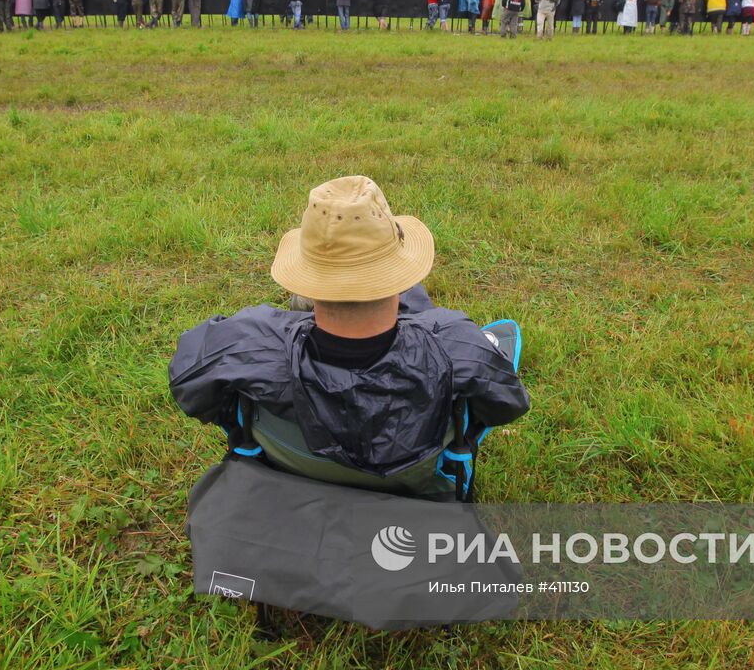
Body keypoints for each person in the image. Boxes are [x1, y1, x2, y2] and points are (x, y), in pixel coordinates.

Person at [168, 175, 530, 499]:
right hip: (413, 493)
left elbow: (190, 385)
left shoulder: (244, 344)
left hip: (288, 486)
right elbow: (504, 404)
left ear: (309, 282)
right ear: (398, 278)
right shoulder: (456, 346)